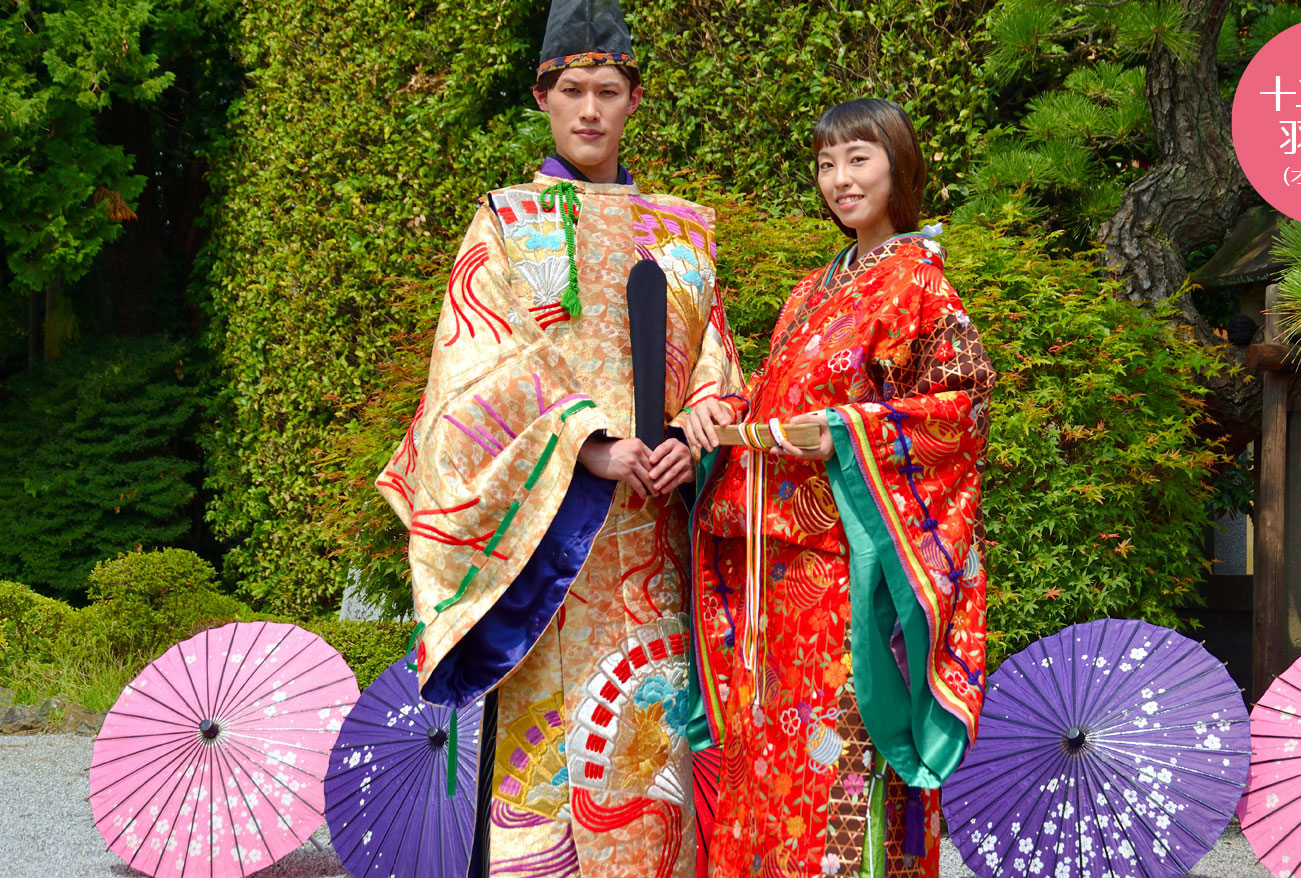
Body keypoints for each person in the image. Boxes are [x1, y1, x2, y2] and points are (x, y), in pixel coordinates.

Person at [374, 1, 742, 875]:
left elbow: (717, 367)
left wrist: (692, 435)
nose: (589, 110)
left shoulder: (685, 233)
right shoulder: (505, 221)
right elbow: (483, 368)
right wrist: (593, 445)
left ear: (633, 100)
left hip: (654, 546)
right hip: (547, 549)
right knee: (540, 775)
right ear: (542, 96)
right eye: (571, 90)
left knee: (651, 773)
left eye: (607, 91)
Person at [681, 98, 995, 877]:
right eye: (826, 163)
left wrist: (853, 433)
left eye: (859, 158)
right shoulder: (809, 289)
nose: (840, 179)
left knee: (844, 759)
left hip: (854, 576)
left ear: (899, 163)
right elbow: (765, 396)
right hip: (776, 574)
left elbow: (963, 410)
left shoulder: (921, 284)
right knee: (769, 758)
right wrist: (715, 410)